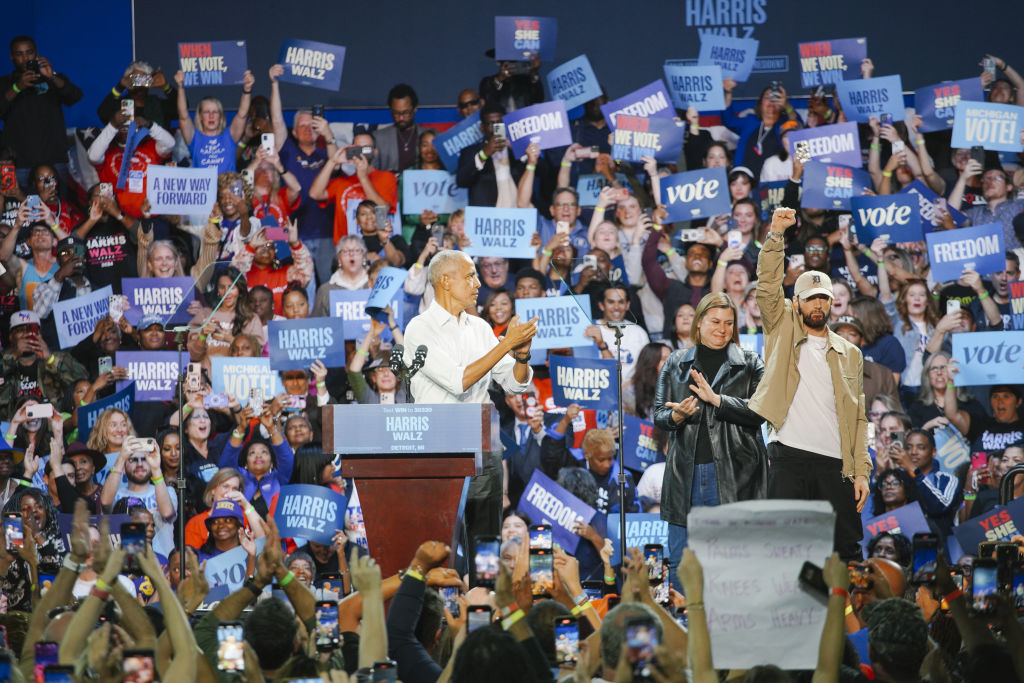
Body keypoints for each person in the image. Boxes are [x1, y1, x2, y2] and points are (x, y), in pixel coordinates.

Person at [750, 207, 871, 561]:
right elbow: (768, 285)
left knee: (845, 553)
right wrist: (776, 237)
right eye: (810, 298)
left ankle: (850, 618)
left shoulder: (849, 352)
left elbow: (859, 418)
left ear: (832, 303)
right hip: (789, 456)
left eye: (824, 298)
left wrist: (861, 471)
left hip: (838, 464)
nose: (818, 304)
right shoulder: (780, 328)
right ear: (796, 302)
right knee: (784, 550)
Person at [402, 250, 537, 538]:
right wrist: (505, 345)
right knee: (441, 537)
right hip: (438, 446)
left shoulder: (479, 327)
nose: (477, 283)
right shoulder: (419, 329)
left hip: (483, 441)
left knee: (485, 540)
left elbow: (514, 384)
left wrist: (522, 357)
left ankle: (483, 585)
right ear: (446, 281)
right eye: (470, 276)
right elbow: (456, 381)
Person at [653, 292, 767, 576]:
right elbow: (659, 414)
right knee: (683, 563)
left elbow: (763, 410)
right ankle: (685, 620)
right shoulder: (675, 363)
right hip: (685, 476)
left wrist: (718, 401)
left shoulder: (751, 363)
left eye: (729, 323)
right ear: (699, 322)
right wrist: (677, 416)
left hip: (734, 476)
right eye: (715, 321)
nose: (722, 329)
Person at [0, 36, 83, 184]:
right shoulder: (5, 83)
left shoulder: (52, 79)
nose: (25, 58)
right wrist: (17, 87)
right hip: (20, 164)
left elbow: (75, 96)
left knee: (57, 206)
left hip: (54, 161)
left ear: (36, 54)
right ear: (12, 57)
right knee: (20, 206)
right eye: (19, 54)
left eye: (29, 52)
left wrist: (52, 77)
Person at [309, 132, 398, 244]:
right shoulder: (343, 181)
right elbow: (315, 193)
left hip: (378, 245)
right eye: (358, 149)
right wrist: (333, 161)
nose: (362, 153)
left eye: (366, 148)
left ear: (375, 151)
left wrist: (363, 178)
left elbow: (383, 211)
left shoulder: (386, 177)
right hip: (346, 248)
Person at [174, 68, 254, 174]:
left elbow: (242, 115)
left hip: (231, 188)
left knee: (239, 187)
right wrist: (180, 87)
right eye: (207, 112)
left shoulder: (229, 136)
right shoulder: (195, 138)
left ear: (220, 116)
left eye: (215, 112)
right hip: (204, 189)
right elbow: (183, 116)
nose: (211, 116)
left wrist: (247, 89)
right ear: (200, 116)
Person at [455, 102, 524, 207]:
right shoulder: (470, 152)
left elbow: (544, 171)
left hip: (519, 214)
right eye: (491, 124)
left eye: (500, 123)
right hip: (488, 217)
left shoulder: (517, 149)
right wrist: (484, 154)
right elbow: (462, 181)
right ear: (482, 127)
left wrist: (520, 151)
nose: (496, 128)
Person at [583, 282, 650, 383]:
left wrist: (629, 386)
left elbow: (648, 369)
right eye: (611, 302)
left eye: (621, 302)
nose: (616, 307)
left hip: (630, 395)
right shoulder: (588, 330)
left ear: (627, 305)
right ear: (601, 305)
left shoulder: (639, 333)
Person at [375, 83, 423, 173]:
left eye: (405, 112)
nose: (401, 118)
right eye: (396, 113)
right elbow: (372, 173)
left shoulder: (430, 136)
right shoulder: (378, 138)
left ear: (415, 108)